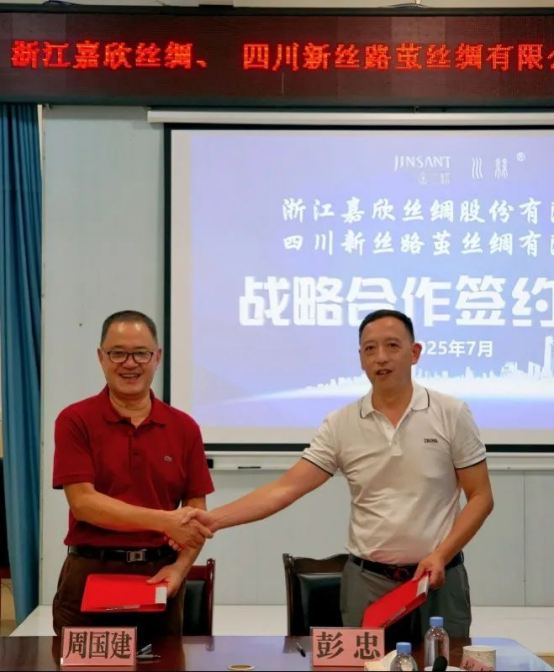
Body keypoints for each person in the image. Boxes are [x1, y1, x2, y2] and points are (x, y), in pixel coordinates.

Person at [179, 309, 494, 642]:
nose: (381, 357)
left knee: (444, 662)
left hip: (439, 576)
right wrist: (212, 520)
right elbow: (285, 488)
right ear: (360, 359)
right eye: (370, 349)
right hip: (369, 581)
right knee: (365, 664)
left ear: (414, 353)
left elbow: (481, 497)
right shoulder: (341, 424)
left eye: (392, 345)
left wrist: (441, 554)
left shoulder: (450, 413)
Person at [52, 310, 214, 639]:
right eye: (118, 353)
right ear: (101, 357)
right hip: (90, 573)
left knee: (163, 661)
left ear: (157, 357)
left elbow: (196, 512)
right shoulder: (75, 420)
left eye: (141, 353)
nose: (130, 363)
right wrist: (164, 521)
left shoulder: (184, 428)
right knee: (88, 663)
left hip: (159, 576)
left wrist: (179, 569)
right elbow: (84, 504)